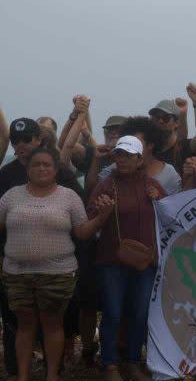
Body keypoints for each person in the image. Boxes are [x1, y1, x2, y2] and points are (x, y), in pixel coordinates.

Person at [0, 147, 113, 381]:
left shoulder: (68, 196)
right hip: (17, 273)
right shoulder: (11, 195)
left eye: (46, 165)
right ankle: (23, 376)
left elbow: (82, 232)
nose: (41, 168)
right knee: (24, 326)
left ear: (56, 169)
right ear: (27, 169)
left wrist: (102, 218)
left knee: (53, 325)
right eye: (36, 165)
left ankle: (52, 375)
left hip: (57, 273)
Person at [88, 136, 166, 381]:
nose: (121, 159)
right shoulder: (106, 184)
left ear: (139, 159)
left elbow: (171, 218)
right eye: (118, 155)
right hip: (112, 261)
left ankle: (133, 361)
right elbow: (90, 216)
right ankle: (109, 364)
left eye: (127, 155)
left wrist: (160, 201)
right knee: (112, 312)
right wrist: (102, 211)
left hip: (145, 262)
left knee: (140, 312)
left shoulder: (153, 185)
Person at [98, 117, 181, 195]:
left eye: (136, 143)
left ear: (151, 145)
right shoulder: (111, 172)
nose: (131, 147)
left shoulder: (170, 175)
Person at [149, 82, 196, 174]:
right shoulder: (149, 150)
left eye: (166, 118)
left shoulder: (183, 148)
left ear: (176, 123)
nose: (160, 121)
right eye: (156, 118)